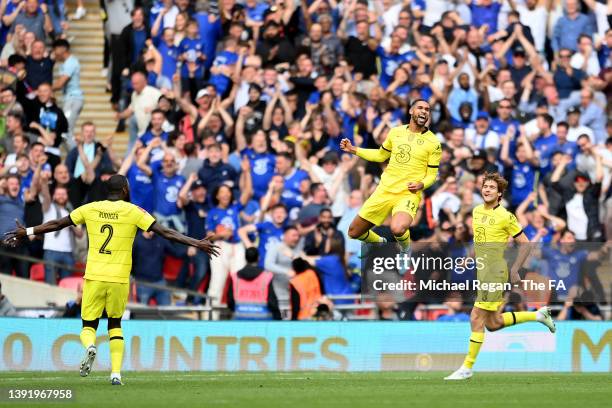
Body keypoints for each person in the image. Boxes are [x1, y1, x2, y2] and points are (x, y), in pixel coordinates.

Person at [1, 174, 219, 385]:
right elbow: (166, 232)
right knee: (115, 324)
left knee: (89, 325)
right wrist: (196, 243)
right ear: (125, 190)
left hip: (95, 276)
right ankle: (115, 374)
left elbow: (57, 224)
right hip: (119, 279)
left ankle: (90, 347)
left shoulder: (90, 208)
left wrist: (27, 231)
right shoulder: (134, 212)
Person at [445, 172, 555, 381]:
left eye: (492, 187)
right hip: (482, 270)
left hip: (495, 271)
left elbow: (526, 244)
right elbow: (481, 240)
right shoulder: (477, 212)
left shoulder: (506, 216)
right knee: (493, 324)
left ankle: (466, 368)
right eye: (485, 186)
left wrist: (514, 269)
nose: (487, 189)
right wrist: (469, 258)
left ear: (499, 194)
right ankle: (538, 315)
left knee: (475, 317)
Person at [341, 99, 441, 273]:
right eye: (420, 108)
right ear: (411, 111)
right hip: (384, 190)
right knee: (354, 232)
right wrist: (354, 149)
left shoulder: (433, 143)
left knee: (398, 227)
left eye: (427, 109)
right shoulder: (395, 132)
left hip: (408, 193)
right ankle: (379, 242)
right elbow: (380, 155)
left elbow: (432, 175)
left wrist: (421, 184)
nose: (424, 111)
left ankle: (404, 250)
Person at [226, 247, 281, 320]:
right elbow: (272, 302)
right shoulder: (266, 276)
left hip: (240, 320)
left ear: (245, 258)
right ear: (258, 258)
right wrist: (278, 318)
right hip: (262, 321)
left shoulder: (235, 277)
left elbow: (230, 302)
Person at [51, 39, 83, 145]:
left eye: (55, 49)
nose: (54, 52)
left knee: (66, 131)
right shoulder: (66, 63)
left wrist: (44, 90)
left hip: (73, 99)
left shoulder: (71, 62)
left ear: (63, 49)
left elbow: (60, 83)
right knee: (64, 131)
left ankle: (78, 158)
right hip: (70, 99)